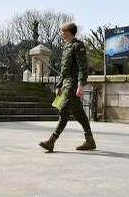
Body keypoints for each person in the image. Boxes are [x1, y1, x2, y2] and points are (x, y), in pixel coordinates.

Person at [38, 22, 95, 152]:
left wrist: (81, 85)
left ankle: (51, 141)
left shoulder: (78, 46)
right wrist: (59, 84)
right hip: (66, 84)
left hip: (73, 85)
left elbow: (83, 67)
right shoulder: (66, 47)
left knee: (64, 111)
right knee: (79, 113)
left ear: (69, 32)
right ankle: (90, 140)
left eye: (63, 31)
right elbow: (64, 70)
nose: (61, 34)